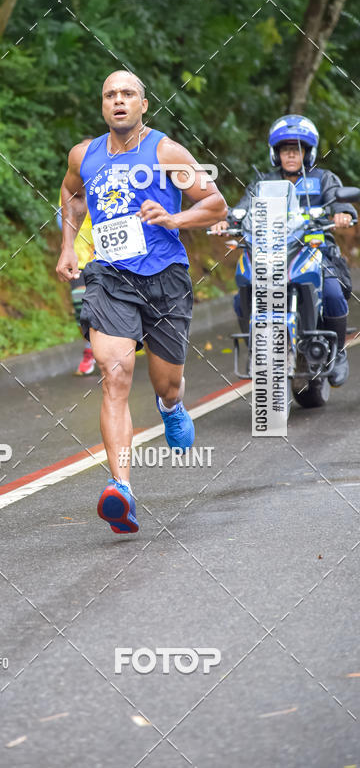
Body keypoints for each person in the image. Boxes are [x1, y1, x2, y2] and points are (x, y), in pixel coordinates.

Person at [56, 70, 227, 534]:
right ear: (102, 104)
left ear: (143, 105)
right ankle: (122, 489)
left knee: (166, 383)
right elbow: (72, 198)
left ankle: (172, 407)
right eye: (110, 94)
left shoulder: (166, 151)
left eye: (127, 94)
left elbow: (215, 204)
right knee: (115, 375)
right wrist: (69, 246)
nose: (118, 101)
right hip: (110, 278)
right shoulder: (84, 155)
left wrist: (174, 217)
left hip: (165, 278)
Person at [211, 114, 356, 386]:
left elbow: (339, 201)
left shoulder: (323, 179)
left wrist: (343, 213)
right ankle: (257, 347)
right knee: (240, 295)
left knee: (334, 291)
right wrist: (226, 220)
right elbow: (243, 209)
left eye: (297, 149)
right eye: (285, 150)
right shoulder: (262, 183)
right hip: (271, 252)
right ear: (275, 153)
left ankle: (337, 355)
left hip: (315, 249)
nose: (291, 155)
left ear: (308, 152)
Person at [57, 139, 97, 375]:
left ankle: (114, 346)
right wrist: (67, 246)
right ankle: (90, 347)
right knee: (82, 307)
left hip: (106, 259)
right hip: (79, 259)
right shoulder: (70, 185)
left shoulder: (108, 184)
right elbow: (62, 219)